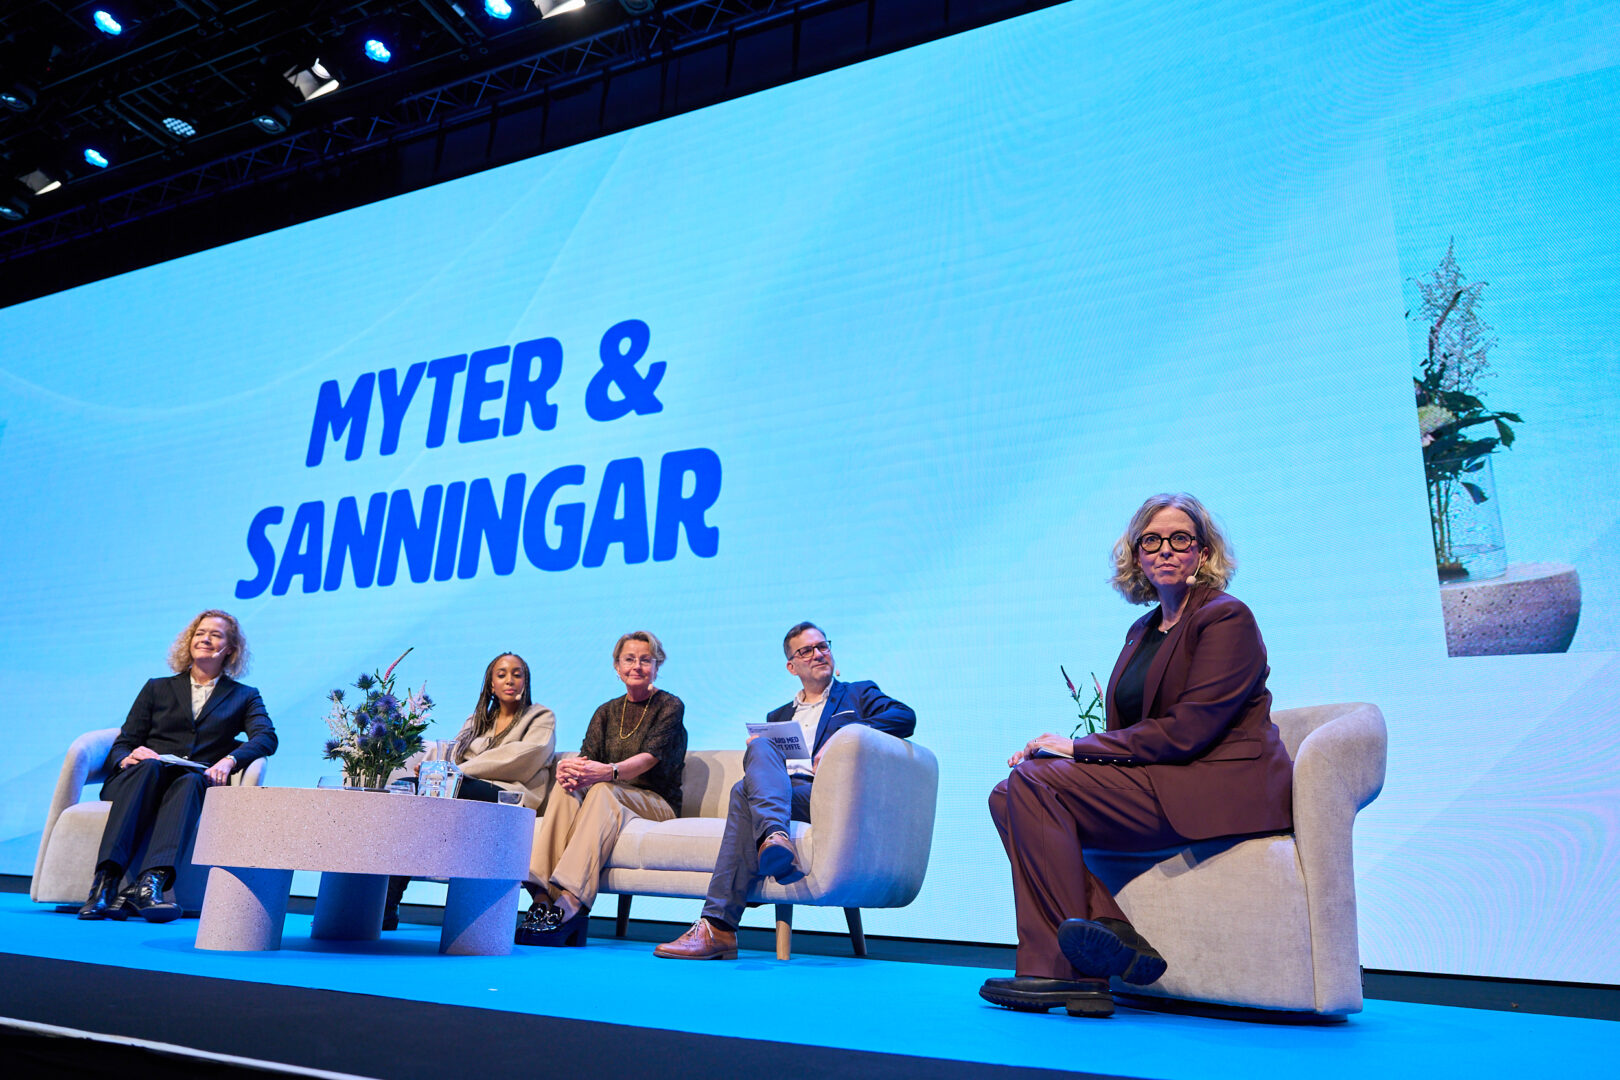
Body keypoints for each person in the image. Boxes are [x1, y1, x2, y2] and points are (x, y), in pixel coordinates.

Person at [980, 493, 1293, 1017]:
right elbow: (1130, 731)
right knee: (1006, 794)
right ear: (1138, 555)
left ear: (1202, 553)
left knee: (1033, 783)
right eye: (1152, 541)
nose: (1165, 550)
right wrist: (1059, 758)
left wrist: (1075, 748)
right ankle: (1112, 935)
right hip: (1161, 781)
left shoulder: (1226, 617)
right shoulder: (1142, 631)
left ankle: (1057, 969)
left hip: (1213, 786)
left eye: (1180, 539)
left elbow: (1189, 731)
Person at [655, 622, 916, 960]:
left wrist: (848, 735)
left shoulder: (858, 694)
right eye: (806, 651)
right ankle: (773, 840)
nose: (818, 654)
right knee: (754, 763)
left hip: (827, 796)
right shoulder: (777, 716)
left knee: (743, 792)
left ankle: (719, 926)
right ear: (792, 667)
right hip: (781, 794)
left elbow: (904, 717)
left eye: (822, 646)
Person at [78, 610, 277, 923]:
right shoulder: (157, 688)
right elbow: (124, 741)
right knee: (150, 768)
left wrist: (229, 760)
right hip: (141, 780)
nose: (205, 639)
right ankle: (104, 884)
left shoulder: (244, 696)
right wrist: (126, 758)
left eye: (215, 635)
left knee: (190, 781)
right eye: (200, 633)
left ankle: (149, 885)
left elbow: (266, 737)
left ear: (230, 649)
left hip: (190, 783)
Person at [517, 631, 687, 947]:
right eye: (629, 659)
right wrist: (570, 771)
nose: (637, 666)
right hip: (612, 799)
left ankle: (572, 901)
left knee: (602, 790)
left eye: (645, 660)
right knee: (566, 789)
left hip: (657, 803)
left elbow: (649, 758)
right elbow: (587, 758)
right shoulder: (606, 711)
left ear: (657, 666)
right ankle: (541, 896)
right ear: (617, 666)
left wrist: (610, 771)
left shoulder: (670, 705)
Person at [383, 652, 555, 930]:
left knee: (448, 787)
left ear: (526, 681)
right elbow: (451, 755)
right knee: (409, 789)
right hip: (467, 789)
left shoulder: (540, 716)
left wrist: (458, 772)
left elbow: (522, 758)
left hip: (510, 796)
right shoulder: (476, 720)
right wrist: (433, 771)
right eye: (501, 675)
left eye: (517, 674)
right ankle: (387, 905)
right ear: (491, 685)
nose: (510, 680)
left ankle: (389, 903)